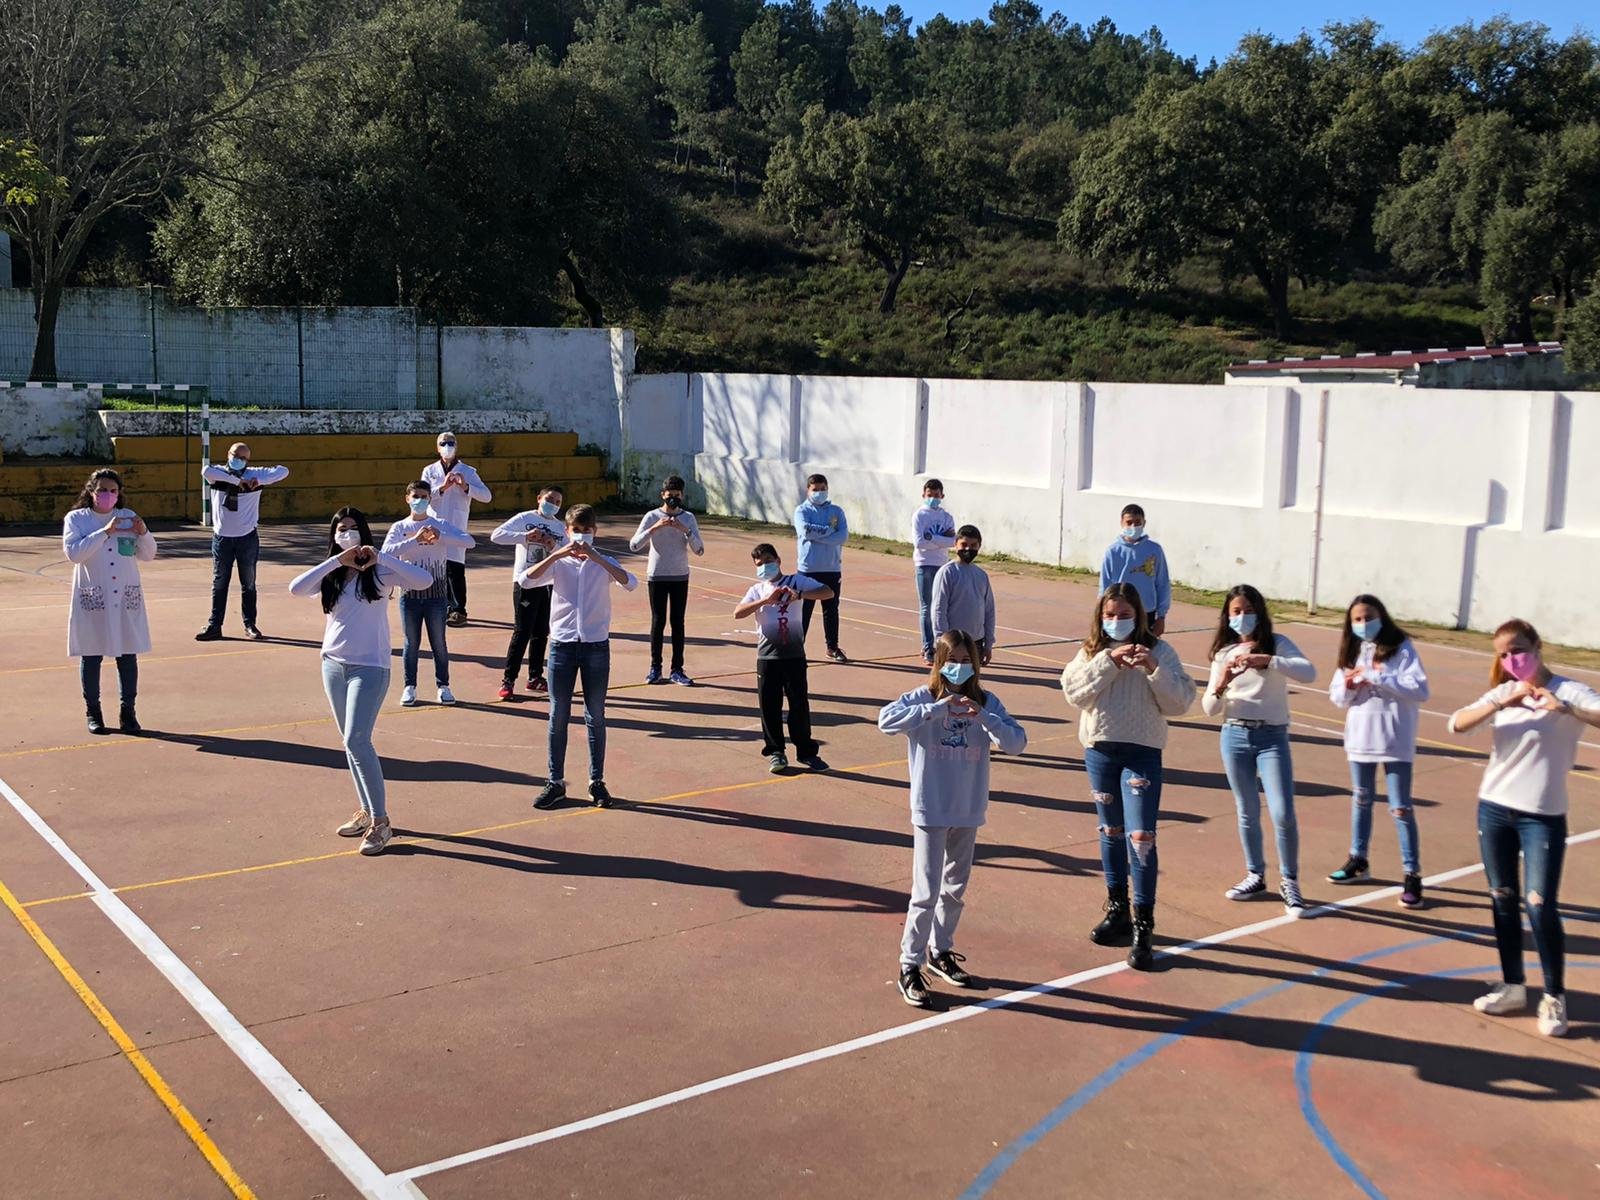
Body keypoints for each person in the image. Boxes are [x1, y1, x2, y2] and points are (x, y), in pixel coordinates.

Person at [1447, 619, 1600, 1039]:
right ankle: (1513, 985)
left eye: (1517, 650)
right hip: (1494, 809)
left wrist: (1565, 709)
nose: (1512, 659)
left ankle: (1554, 996)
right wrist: (1503, 702)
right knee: (1502, 898)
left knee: (1539, 904)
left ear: (1537, 646)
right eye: (1503, 654)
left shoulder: (1568, 691)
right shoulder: (1504, 693)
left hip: (1542, 816)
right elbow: (1457, 724)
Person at [879, 630, 1027, 1007]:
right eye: (951, 660)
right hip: (931, 806)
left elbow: (1017, 743)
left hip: (968, 807)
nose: (958, 667)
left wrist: (986, 718)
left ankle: (940, 949)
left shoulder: (987, 702)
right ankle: (909, 964)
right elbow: (886, 720)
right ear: (939, 662)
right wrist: (934, 710)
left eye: (965, 661)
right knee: (926, 890)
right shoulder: (924, 698)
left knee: (955, 887)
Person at [1059, 584, 1195, 968]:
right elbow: (1074, 693)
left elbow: (1180, 702)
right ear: (1100, 618)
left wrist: (1153, 669)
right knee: (1111, 832)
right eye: (1110, 615)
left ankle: (1143, 923)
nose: (1117, 622)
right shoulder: (1091, 652)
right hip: (1101, 751)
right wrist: (1109, 662)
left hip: (1142, 754)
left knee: (1141, 837)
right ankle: (1117, 908)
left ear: (1139, 617)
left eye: (1125, 615)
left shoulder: (1161, 652)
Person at [288, 508, 431, 856]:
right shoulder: (334, 573)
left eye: (353, 528)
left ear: (364, 532)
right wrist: (338, 560)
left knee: (357, 739)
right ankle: (366, 810)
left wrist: (380, 556)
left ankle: (381, 822)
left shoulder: (381, 572)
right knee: (349, 743)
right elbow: (296, 588)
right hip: (333, 665)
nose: (347, 533)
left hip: (370, 667)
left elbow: (423, 580)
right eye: (341, 529)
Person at [1201, 584, 1316, 917]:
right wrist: (1222, 681)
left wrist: (1268, 660)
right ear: (1227, 617)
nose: (1242, 617)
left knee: (1282, 811)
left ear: (1260, 613)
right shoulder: (1223, 653)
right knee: (1247, 809)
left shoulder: (1277, 644)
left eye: (1249, 611)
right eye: (1236, 612)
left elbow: (1308, 673)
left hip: (1271, 737)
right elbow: (1209, 708)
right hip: (1235, 735)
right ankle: (1255, 874)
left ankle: (1289, 880)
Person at [519, 505, 637, 810]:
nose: (582, 537)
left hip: (595, 646)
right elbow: (526, 580)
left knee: (595, 714)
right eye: (576, 531)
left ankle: (596, 781)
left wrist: (598, 558)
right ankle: (555, 781)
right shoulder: (560, 563)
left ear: (594, 532)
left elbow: (630, 582)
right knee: (558, 714)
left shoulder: (603, 562)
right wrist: (555, 555)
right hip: (562, 645)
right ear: (567, 531)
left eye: (587, 531)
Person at [1326, 594, 1431, 907]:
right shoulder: (1352, 651)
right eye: (1357, 619)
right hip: (1361, 737)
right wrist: (1349, 685)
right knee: (1361, 799)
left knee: (1400, 807)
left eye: (1368, 617)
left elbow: (1419, 689)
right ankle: (1358, 858)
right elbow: (1337, 696)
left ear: (1381, 617)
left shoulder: (1401, 648)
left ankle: (1412, 873)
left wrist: (1375, 675)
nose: (1363, 624)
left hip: (1394, 738)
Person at [63, 469, 156, 735]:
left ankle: (128, 712)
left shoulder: (128, 517)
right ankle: (93, 712)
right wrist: (105, 532)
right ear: (91, 491)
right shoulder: (77, 519)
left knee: (127, 655)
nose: (108, 495)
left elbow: (148, 555)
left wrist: (143, 532)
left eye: (113, 491)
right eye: (102, 490)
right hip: (94, 597)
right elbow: (74, 554)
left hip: (125, 596)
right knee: (91, 654)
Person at [734, 544, 835, 774]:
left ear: (778, 560)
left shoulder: (796, 581)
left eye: (768, 561)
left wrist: (800, 595)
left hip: (794, 655)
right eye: (759, 564)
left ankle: (806, 751)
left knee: (799, 704)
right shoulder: (757, 589)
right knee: (769, 705)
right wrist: (765, 601)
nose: (765, 567)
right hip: (767, 656)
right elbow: (738, 612)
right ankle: (776, 751)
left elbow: (828, 592)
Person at [381, 482, 474, 707]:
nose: (420, 500)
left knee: (438, 643)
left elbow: (469, 541)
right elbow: (385, 553)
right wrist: (415, 540)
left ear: (430, 500)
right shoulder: (400, 527)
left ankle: (443, 686)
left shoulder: (439, 524)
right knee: (411, 643)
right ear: (407, 498)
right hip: (409, 596)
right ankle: (409, 686)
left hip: (437, 597)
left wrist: (441, 537)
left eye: (424, 496)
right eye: (416, 496)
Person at [196, 442, 289, 641]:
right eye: (235, 455)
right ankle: (215, 625)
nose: (238, 460)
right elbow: (206, 471)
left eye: (243, 458)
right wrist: (237, 482)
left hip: (247, 538)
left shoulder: (255, 474)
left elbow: (283, 471)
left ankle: (250, 624)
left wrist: (257, 480)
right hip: (222, 538)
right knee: (220, 582)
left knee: (248, 583)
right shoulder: (218, 473)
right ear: (228, 454)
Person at [489, 484, 566, 701]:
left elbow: (567, 550)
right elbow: (497, 535)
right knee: (522, 631)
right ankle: (508, 680)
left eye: (558, 502)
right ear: (539, 498)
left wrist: (552, 545)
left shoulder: (559, 527)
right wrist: (525, 536)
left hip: (548, 583)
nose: (553, 504)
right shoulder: (525, 518)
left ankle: (535, 676)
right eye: (549, 499)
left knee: (541, 632)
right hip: (526, 582)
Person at [629, 474, 705, 686]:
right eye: (670, 495)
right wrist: (654, 528)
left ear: (682, 496)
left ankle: (677, 669)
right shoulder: (652, 516)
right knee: (658, 620)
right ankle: (655, 667)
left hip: (680, 576)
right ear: (662, 495)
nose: (673, 499)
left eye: (677, 495)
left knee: (677, 622)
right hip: (657, 575)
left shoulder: (688, 517)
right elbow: (634, 545)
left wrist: (685, 530)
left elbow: (699, 550)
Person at [421, 430, 491, 626]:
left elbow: (486, 496)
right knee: (435, 567)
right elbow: (422, 496)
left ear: (457, 446)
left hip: (456, 526)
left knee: (455, 569)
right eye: (443, 443)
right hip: (434, 524)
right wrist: (442, 488)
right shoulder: (429, 471)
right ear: (437, 448)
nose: (447, 446)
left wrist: (466, 487)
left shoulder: (468, 471)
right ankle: (439, 607)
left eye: (451, 443)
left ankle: (458, 610)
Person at [794, 473, 849, 662]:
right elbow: (805, 531)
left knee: (831, 610)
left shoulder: (836, 511)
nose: (819, 492)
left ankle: (832, 647)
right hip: (808, 569)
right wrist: (828, 531)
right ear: (808, 491)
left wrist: (819, 536)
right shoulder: (801, 511)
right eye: (815, 489)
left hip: (832, 568)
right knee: (804, 611)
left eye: (822, 489)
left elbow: (842, 536)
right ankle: (797, 647)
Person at [1100, 503, 1171, 638]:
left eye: (1137, 522)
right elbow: (1105, 585)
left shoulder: (1154, 550)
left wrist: (1161, 616)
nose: (1133, 526)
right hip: (1121, 612)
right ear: (1122, 523)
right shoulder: (1113, 551)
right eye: (1129, 522)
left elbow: (1162, 583)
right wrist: (1102, 613)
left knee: (1144, 647)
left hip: (1146, 611)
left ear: (1144, 523)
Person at [930, 525, 995, 665]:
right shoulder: (947, 572)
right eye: (964, 544)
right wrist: (941, 641)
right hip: (953, 642)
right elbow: (938, 610)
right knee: (951, 677)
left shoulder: (981, 575)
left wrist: (988, 644)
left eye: (973, 545)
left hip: (976, 642)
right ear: (955, 544)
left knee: (972, 678)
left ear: (979, 546)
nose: (968, 549)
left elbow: (989, 611)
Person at [911, 478, 957, 666]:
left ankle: (944, 646)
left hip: (941, 563)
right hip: (924, 564)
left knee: (943, 607)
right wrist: (940, 540)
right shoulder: (919, 515)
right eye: (930, 495)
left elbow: (952, 541)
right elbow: (919, 542)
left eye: (936, 495)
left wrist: (933, 538)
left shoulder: (947, 517)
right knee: (926, 607)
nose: (933, 498)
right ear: (924, 495)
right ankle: (928, 647)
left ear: (942, 496)